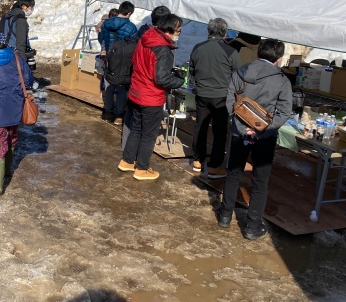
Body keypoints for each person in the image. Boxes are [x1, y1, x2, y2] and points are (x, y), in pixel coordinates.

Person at [216, 38, 292, 240]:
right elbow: (284, 111)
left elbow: (230, 101)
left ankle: (224, 215)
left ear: (259, 52)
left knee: (233, 174)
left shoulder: (240, 72)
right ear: (279, 58)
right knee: (260, 181)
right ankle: (252, 226)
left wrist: (242, 127)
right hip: (265, 136)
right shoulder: (282, 80)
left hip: (238, 131)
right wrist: (261, 129)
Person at [118, 14, 185, 180]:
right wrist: (178, 80)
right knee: (149, 134)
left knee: (137, 128)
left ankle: (127, 161)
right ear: (169, 30)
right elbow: (161, 78)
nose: (179, 33)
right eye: (178, 30)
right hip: (150, 96)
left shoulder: (145, 39)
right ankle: (142, 168)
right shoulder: (163, 49)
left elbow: (136, 61)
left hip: (137, 92)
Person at [0, 32, 34, 195]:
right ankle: (8, 171)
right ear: (5, 43)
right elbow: (28, 80)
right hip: (15, 104)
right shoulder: (16, 58)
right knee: (12, 135)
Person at [189, 18, 240, 177]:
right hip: (222, 97)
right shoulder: (231, 51)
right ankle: (214, 166)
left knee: (201, 127)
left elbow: (192, 70)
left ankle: (198, 160)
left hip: (202, 94)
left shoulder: (197, 48)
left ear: (208, 31)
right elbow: (238, 75)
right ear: (225, 33)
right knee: (219, 131)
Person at [122, 5, 171, 151]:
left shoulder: (143, 35)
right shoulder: (157, 43)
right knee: (145, 130)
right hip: (148, 91)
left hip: (136, 84)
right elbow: (160, 75)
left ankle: (127, 154)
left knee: (134, 123)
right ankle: (138, 161)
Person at [99, 1, 138, 124]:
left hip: (109, 59)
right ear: (129, 13)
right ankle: (118, 115)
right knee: (121, 88)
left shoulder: (106, 23)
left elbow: (102, 39)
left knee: (109, 85)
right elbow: (134, 46)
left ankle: (108, 112)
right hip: (124, 62)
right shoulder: (131, 27)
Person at [0, 0, 36, 70]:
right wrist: (23, 62)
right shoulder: (20, 20)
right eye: (31, 6)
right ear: (24, 7)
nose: (32, 9)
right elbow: (21, 43)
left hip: (4, 52)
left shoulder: (5, 17)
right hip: (15, 54)